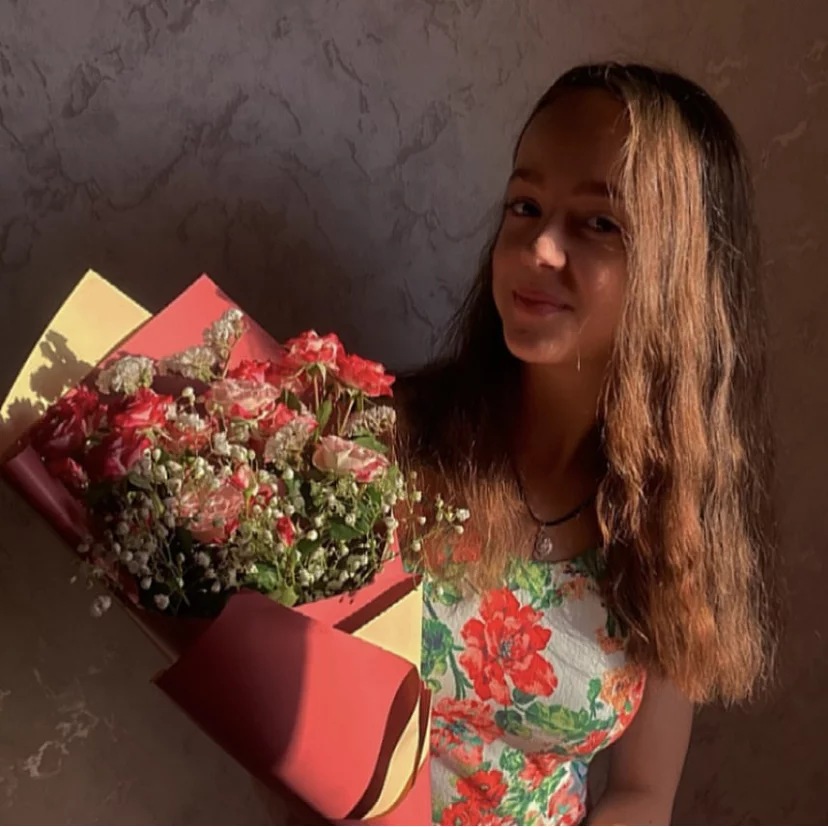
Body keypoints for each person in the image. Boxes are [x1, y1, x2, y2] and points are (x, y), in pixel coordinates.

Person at [397, 62, 776, 826]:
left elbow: (642, 793)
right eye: (525, 205)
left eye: (599, 222)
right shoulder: (395, 438)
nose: (539, 247)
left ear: (679, 270)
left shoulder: (673, 523)